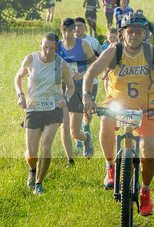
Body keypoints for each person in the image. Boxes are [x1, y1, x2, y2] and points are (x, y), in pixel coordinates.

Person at [82, 13, 154, 216]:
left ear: (145, 34)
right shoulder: (113, 52)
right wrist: (87, 97)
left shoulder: (153, 54)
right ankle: (110, 167)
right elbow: (91, 72)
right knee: (106, 121)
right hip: (116, 102)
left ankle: (145, 191)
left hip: (145, 107)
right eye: (130, 31)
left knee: (148, 150)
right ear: (122, 33)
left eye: (139, 31)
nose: (134, 35)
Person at [14, 32, 76, 194]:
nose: (47, 51)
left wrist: (65, 98)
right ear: (41, 44)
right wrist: (20, 96)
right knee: (32, 152)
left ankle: (39, 184)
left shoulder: (61, 65)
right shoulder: (31, 59)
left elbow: (70, 87)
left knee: (46, 145)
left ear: (57, 47)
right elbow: (18, 77)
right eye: (45, 47)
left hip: (53, 109)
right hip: (33, 109)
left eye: (51, 48)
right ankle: (32, 170)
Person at [58, 17, 97, 162]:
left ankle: (86, 138)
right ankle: (70, 160)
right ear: (60, 31)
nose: (67, 34)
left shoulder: (83, 44)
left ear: (74, 31)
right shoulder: (57, 46)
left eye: (70, 31)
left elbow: (95, 65)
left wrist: (83, 73)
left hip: (79, 88)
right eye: (64, 31)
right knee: (64, 127)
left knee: (75, 132)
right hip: (63, 89)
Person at [73, 17, 102, 152]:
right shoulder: (68, 43)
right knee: (74, 112)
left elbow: (99, 61)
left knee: (86, 110)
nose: (77, 29)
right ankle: (79, 139)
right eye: (75, 26)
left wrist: (84, 74)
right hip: (72, 84)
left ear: (85, 28)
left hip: (91, 82)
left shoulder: (93, 42)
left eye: (80, 26)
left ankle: (86, 129)